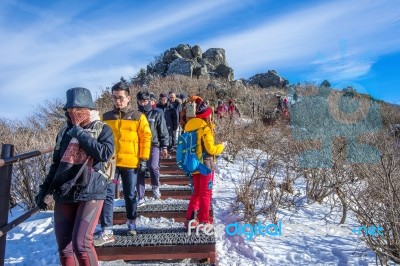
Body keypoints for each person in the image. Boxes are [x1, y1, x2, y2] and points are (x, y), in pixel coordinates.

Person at [35, 87, 114, 265]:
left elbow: (104, 153)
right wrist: (44, 190)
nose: (74, 114)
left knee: (82, 244)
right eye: (70, 110)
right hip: (65, 189)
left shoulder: (102, 129)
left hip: (92, 189)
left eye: (79, 110)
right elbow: (56, 164)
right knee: (64, 247)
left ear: (89, 109)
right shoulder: (64, 133)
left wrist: (80, 134)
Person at [95, 82, 152, 246]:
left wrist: (144, 158)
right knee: (108, 195)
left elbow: (146, 137)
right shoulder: (105, 117)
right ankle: (107, 229)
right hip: (110, 163)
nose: (117, 101)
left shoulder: (138, 116)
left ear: (128, 98)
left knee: (129, 194)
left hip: (130, 162)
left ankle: (131, 221)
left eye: (120, 97)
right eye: (114, 97)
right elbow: (98, 137)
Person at [183, 99, 225, 228]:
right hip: (206, 165)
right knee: (206, 193)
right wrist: (222, 146)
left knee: (196, 192)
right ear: (207, 115)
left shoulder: (189, 126)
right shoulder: (205, 129)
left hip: (194, 165)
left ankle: (189, 220)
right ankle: (204, 221)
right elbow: (211, 149)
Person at [136, 91, 169, 205]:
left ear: (149, 101)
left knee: (153, 166)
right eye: (141, 101)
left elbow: (163, 131)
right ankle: (140, 195)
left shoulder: (156, 114)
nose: (143, 103)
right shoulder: (136, 115)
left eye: (145, 101)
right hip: (138, 146)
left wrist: (164, 146)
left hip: (154, 144)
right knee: (139, 170)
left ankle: (155, 187)